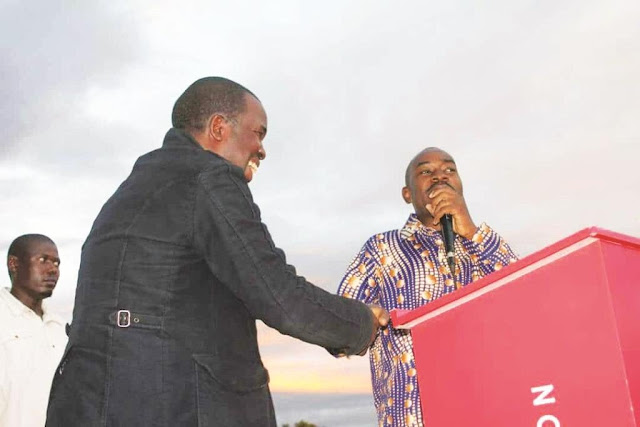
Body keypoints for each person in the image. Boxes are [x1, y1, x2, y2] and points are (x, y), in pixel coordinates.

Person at [46, 77, 389, 427]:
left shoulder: (137, 189)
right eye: (258, 133)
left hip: (87, 403)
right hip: (169, 403)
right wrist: (360, 323)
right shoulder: (208, 178)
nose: (262, 149)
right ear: (218, 128)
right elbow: (278, 294)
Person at [337, 147, 518, 426]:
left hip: (487, 411)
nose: (439, 176)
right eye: (426, 171)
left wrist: (470, 231)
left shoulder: (483, 246)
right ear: (407, 194)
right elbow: (338, 324)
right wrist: (367, 320)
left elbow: (524, 298)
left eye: (449, 170)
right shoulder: (382, 249)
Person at [0, 234, 67, 427]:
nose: (53, 269)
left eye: (56, 263)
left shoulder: (61, 328)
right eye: (43, 260)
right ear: (14, 264)